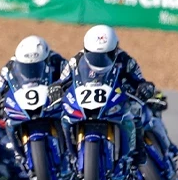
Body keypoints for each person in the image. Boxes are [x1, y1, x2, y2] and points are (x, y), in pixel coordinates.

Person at [51, 25, 155, 162]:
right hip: (85, 102)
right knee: (63, 115)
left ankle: (137, 153)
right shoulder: (75, 60)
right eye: (93, 55)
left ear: (115, 50)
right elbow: (62, 80)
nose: (99, 61)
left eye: (106, 56)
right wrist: (56, 88)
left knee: (135, 113)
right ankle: (68, 154)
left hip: (115, 100)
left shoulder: (126, 60)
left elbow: (139, 80)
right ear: (86, 50)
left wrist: (144, 87)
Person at [0, 35, 67, 117]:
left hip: (51, 106)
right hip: (21, 107)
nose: (32, 70)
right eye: (26, 67)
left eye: (37, 66)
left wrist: (61, 87)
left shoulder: (57, 60)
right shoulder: (8, 67)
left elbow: (70, 76)